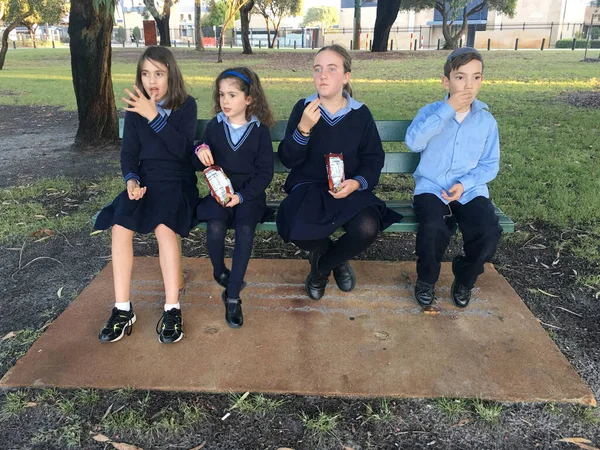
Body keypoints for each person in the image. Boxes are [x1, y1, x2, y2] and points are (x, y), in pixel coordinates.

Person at [276, 44, 401, 301]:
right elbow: (288, 159)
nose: (323, 75)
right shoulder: (304, 109)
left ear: (346, 77)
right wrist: (303, 129)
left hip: (348, 188)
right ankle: (337, 258)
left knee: (367, 227)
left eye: (332, 69)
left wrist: (357, 183)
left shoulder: (360, 114)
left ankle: (321, 268)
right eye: (318, 69)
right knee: (295, 228)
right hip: (309, 188)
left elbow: (373, 158)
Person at [95, 46, 198, 344]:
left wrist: (154, 116)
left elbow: (183, 152)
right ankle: (123, 308)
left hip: (178, 182)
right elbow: (129, 154)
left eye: (159, 73)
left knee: (164, 228)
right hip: (145, 182)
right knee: (120, 226)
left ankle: (172, 308)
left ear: (171, 76)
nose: (151, 80)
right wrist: (131, 179)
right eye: (145, 73)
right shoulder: (134, 109)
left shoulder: (185, 106)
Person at [405, 47, 502, 309]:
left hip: (469, 190)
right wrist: (447, 110)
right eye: (460, 77)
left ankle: (465, 277)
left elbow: (490, 164)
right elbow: (413, 142)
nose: (468, 85)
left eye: (476, 77)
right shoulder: (430, 112)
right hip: (432, 187)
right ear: (446, 81)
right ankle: (426, 279)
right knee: (433, 228)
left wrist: (465, 184)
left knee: (488, 231)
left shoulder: (486, 121)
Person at [194, 67, 275, 328]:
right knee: (215, 225)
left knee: (244, 229)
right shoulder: (214, 127)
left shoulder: (259, 131)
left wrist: (242, 196)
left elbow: (265, 174)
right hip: (220, 195)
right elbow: (201, 156)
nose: (225, 101)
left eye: (232, 95)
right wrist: (200, 149)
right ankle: (220, 271)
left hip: (249, 196)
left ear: (249, 98)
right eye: (221, 95)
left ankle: (232, 296)